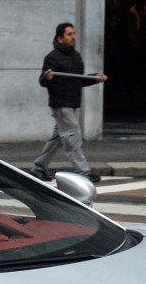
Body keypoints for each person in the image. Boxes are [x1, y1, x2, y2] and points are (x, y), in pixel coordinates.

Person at [32, 22, 108, 183]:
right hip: (61, 104)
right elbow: (42, 81)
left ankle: (38, 168)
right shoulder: (52, 57)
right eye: (69, 34)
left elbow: (78, 81)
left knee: (58, 138)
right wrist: (47, 77)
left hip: (72, 103)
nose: (73, 37)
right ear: (60, 38)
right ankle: (82, 171)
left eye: (74, 34)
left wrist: (95, 78)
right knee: (72, 135)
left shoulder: (76, 57)